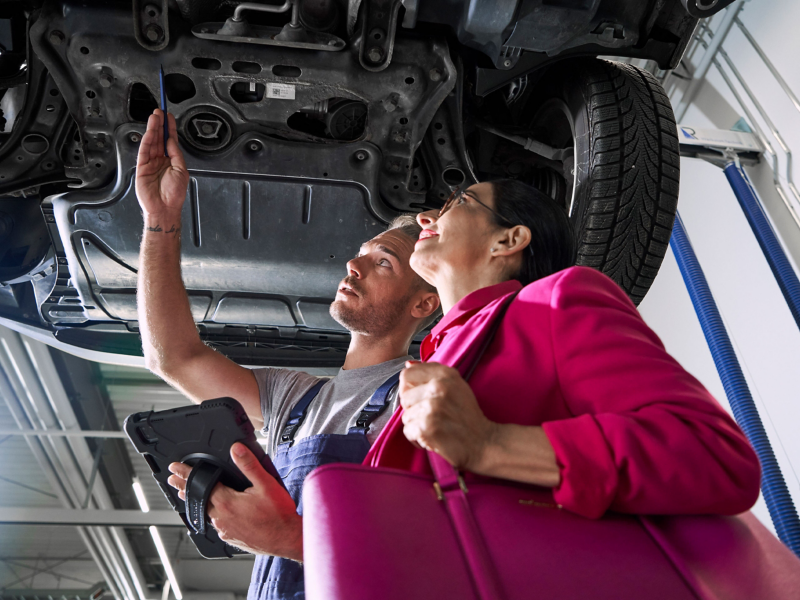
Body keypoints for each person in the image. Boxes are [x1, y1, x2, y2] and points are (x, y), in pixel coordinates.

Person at [133, 109, 439, 599]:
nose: (354, 263)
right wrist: (161, 220)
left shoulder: (427, 394)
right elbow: (173, 356)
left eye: (382, 262)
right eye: (360, 251)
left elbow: (434, 558)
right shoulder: (293, 400)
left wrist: (288, 539)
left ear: (424, 303)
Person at [365, 179, 761, 519]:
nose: (424, 217)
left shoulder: (555, 301)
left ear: (509, 239)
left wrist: (492, 444)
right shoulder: (438, 350)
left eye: (459, 201)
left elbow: (711, 455)